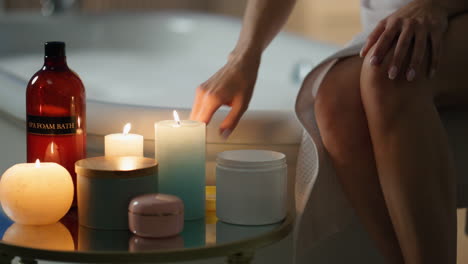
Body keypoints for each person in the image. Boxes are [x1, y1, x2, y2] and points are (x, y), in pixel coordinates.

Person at [190, 0, 468, 263]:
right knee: (334, 99)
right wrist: (244, 57)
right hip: (392, 20)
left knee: (392, 73)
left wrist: (437, 4)